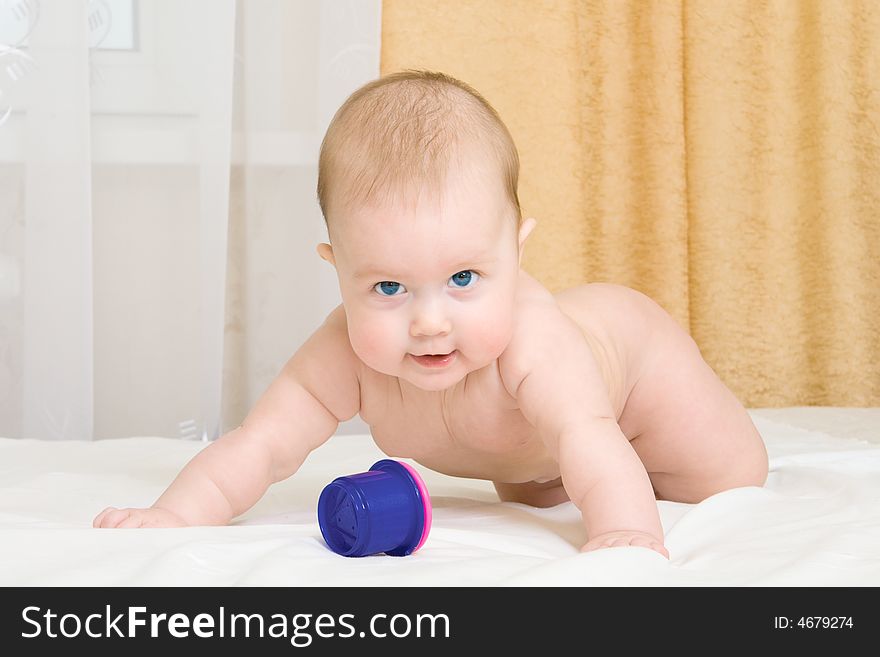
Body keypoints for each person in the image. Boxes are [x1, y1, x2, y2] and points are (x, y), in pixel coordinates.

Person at [94, 70, 768, 558]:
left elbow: (590, 436)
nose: (430, 322)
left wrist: (628, 535)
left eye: (464, 278)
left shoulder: (534, 343)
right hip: (528, 450)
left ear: (517, 252)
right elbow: (261, 447)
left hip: (635, 364)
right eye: (389, 288)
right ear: (337, 269)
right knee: (544, 489)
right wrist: (175, 514)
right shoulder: (343, 353)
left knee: (729, 474)